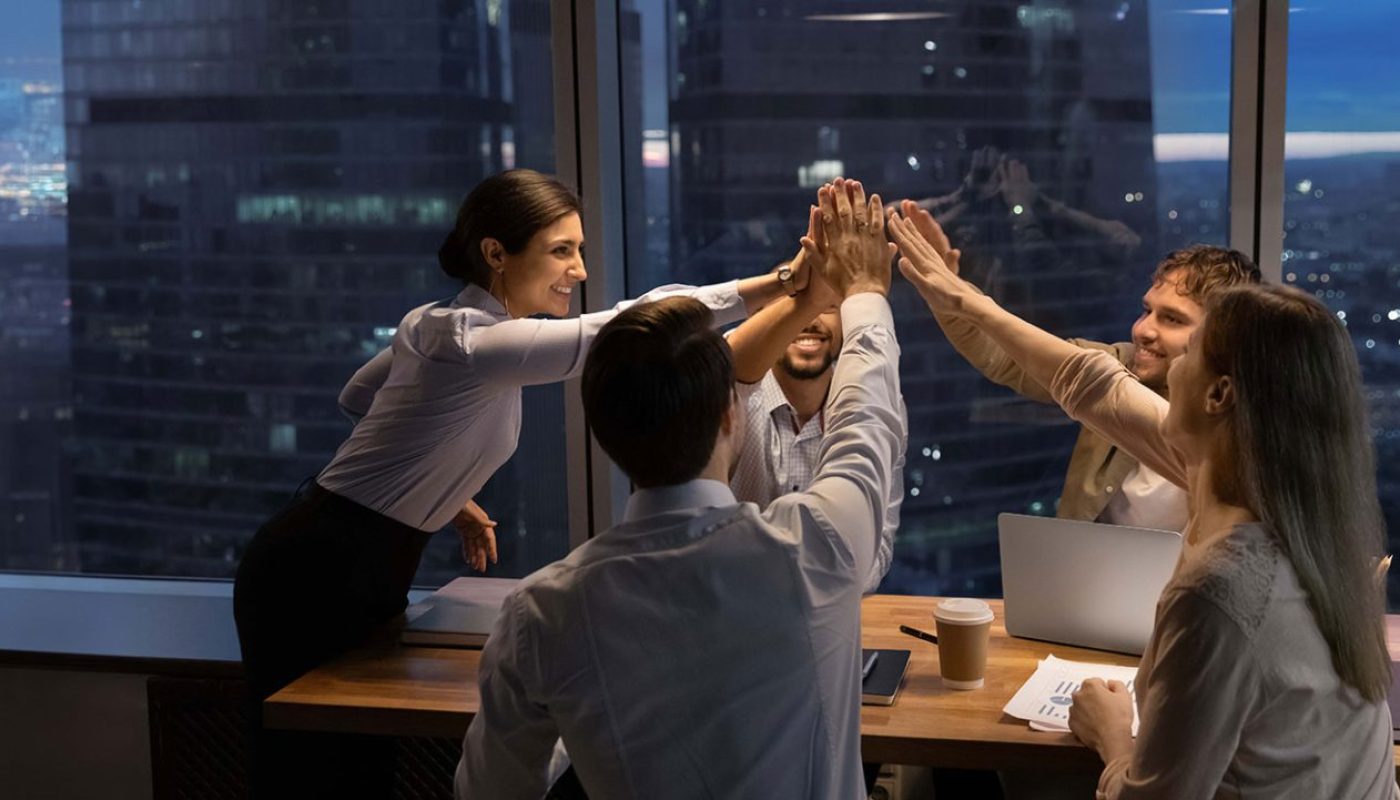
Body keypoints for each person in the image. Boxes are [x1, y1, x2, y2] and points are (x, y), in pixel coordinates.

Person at [232, 168, 800, 798]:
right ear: (496, 253)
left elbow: (359, 396)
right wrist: (780, 283)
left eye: (579, 249)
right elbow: (629, 326)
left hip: (354, 557)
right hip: (313, 567)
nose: (579, 270)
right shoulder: (472, 341)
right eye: (562, 250)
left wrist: (447, 494)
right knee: (306, 774)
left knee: (353, 770)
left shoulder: (434, 327)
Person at [887, 208, 1397, 799]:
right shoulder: (1298, 513)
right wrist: (960, 296)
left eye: (1193, 342)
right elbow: (1089, 382)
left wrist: (1113, 737)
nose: (1141, 344)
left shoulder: (1222, 589)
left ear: (1219, 393)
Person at [455, 178, 905, 798]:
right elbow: (868, 418)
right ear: (731, 414)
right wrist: (865, 293)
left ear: (605, 435)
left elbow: (489, 792)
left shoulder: (542, 616)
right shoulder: (817, 547)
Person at [903, 198, 1259, 531]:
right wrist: (944, 292)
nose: (1143, 330)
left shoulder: (1254, 435)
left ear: (1222, 338)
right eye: (1147, 311)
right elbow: (1004, 355)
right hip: (1090, 586)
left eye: (1172, 319)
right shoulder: (1123, 363)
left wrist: (962, 299)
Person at [726, 254, 906, 593]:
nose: (810, 320)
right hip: (739, 611)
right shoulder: (732, 398)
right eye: (795, 304)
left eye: (826, 306)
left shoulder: (876, 401)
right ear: (763, 321)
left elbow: (879, 548)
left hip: (830, 622)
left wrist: (810, 589)